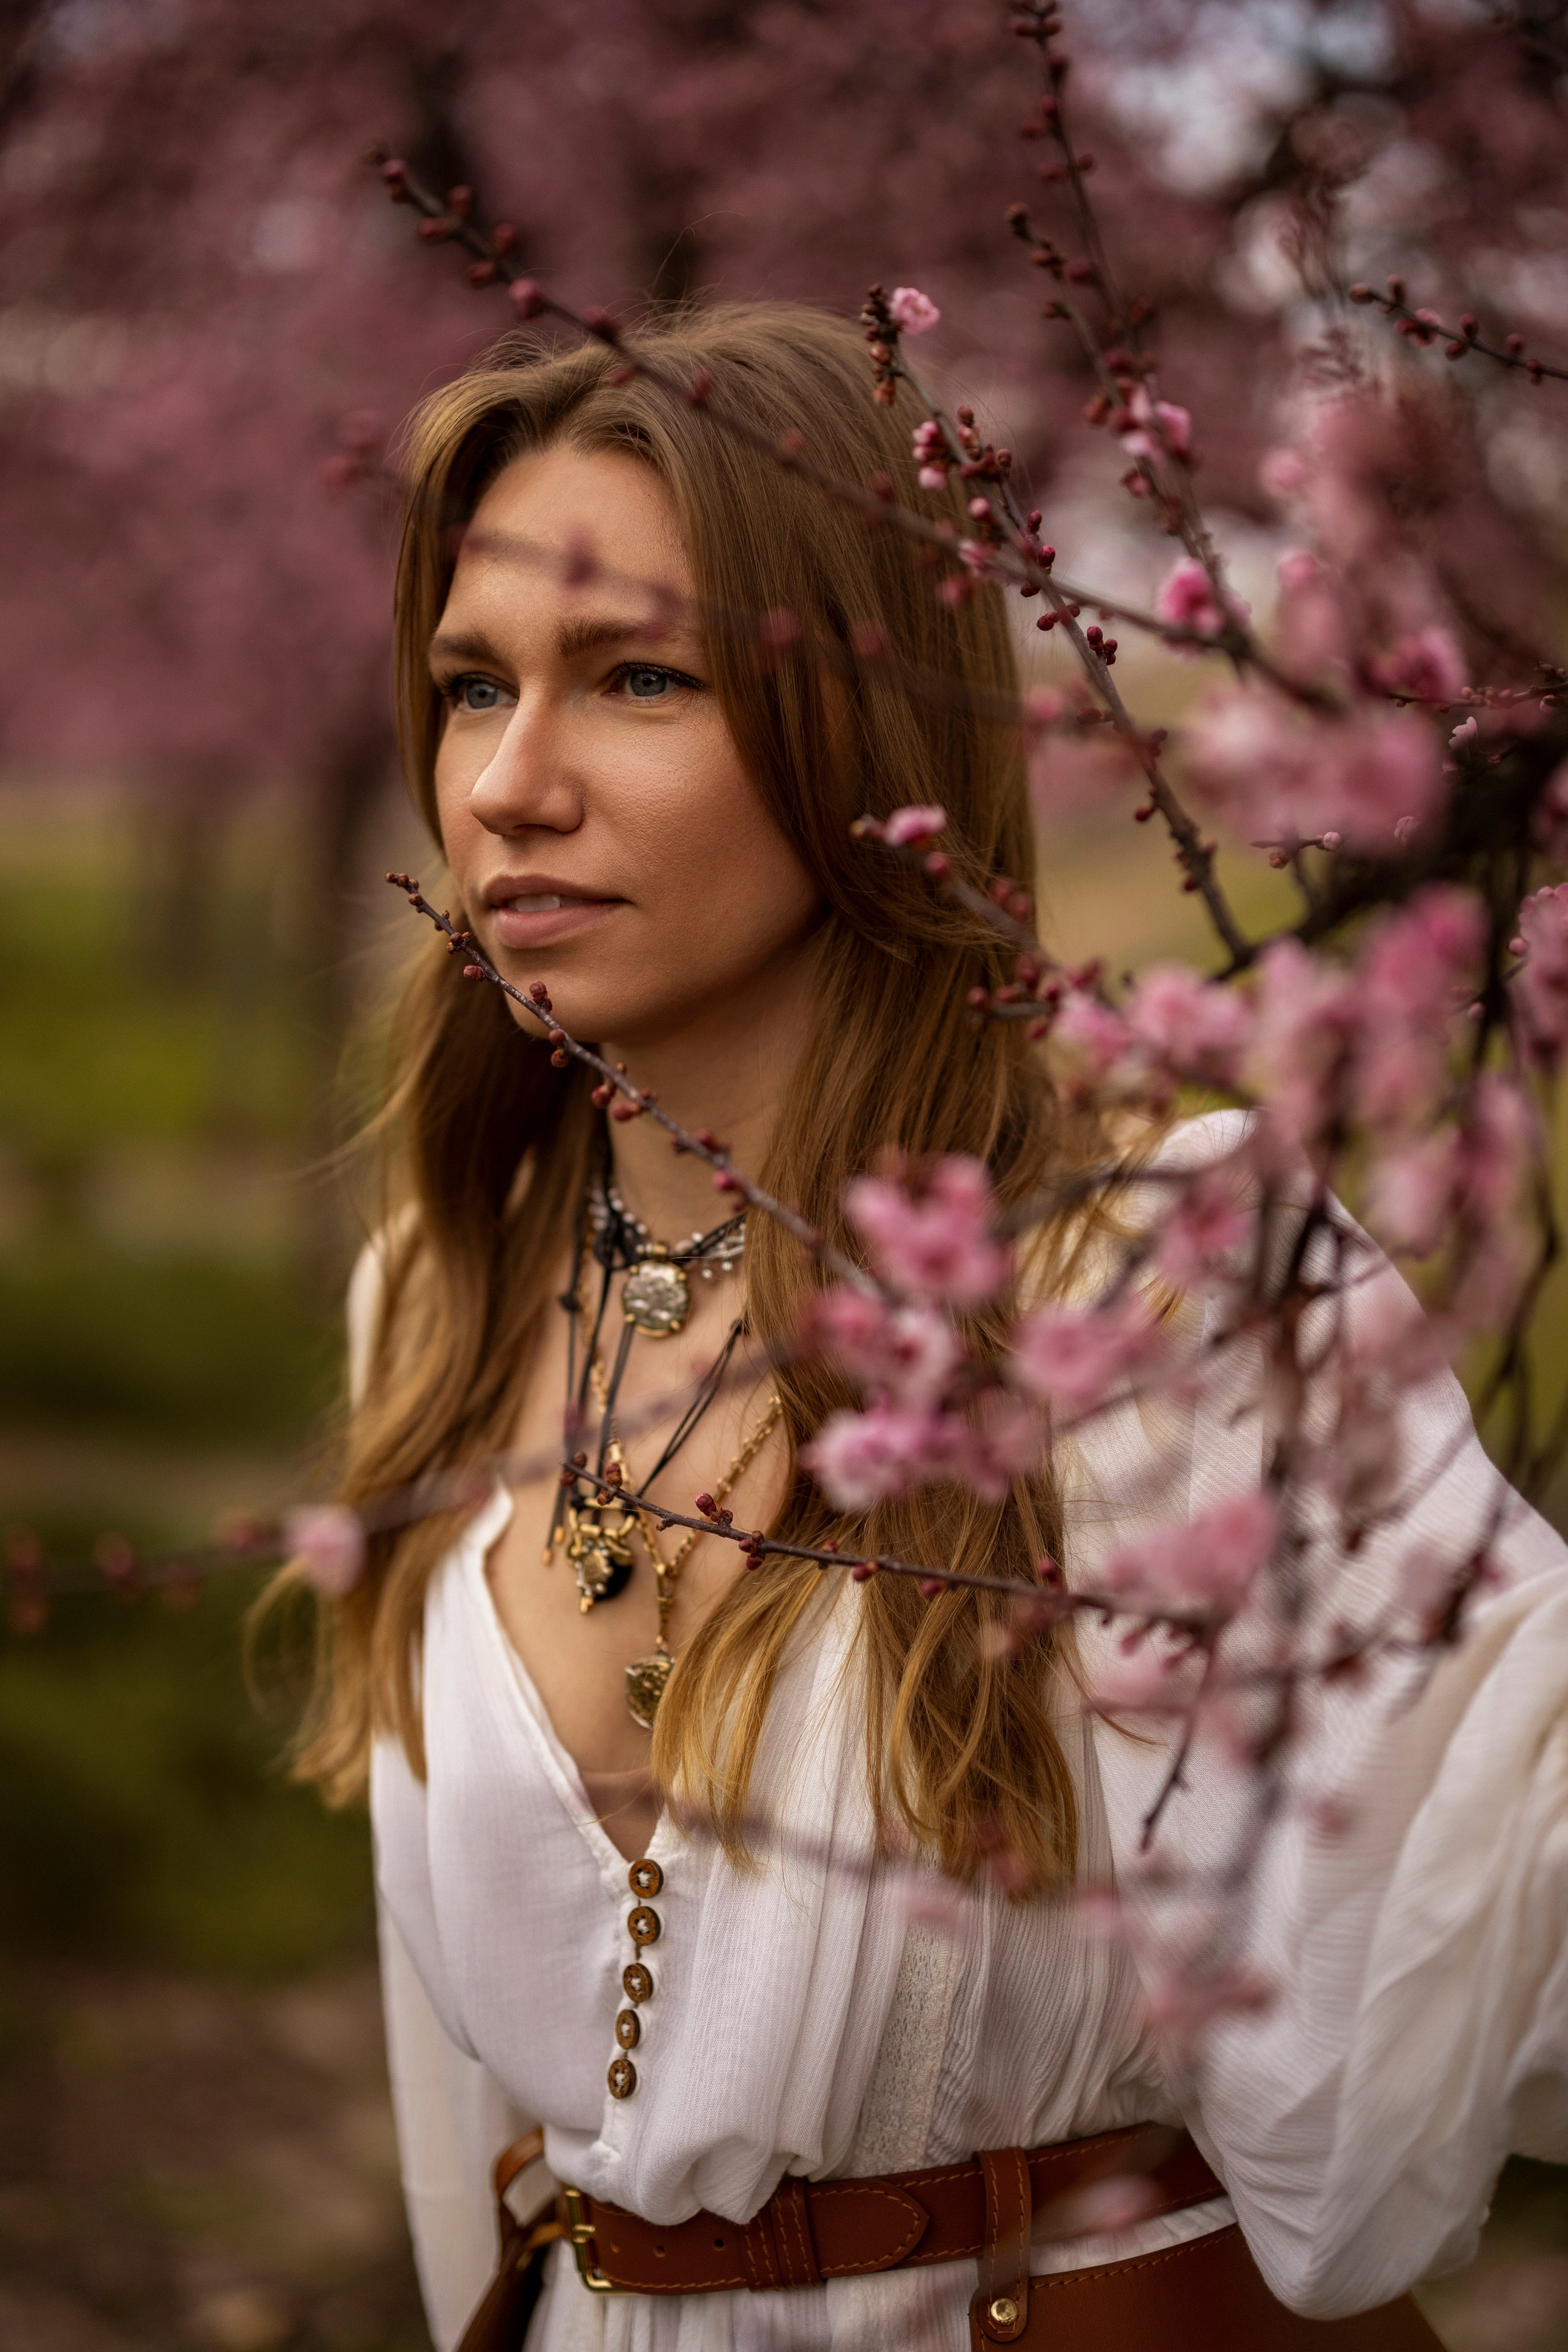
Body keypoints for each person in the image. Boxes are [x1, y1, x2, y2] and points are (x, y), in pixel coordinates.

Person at [285, 304, 1568, 2351]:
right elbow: (473, 2138)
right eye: (472, 688)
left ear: (862, 735)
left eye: (639, 676)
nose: (511, 786)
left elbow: (1517, 1851)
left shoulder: (1153, 1284)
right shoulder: (437, 1311)